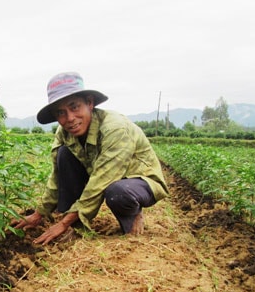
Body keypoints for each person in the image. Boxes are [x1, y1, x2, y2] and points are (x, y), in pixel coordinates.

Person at [12, 72, 169, 244]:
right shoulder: (64, 132)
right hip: (101, 174)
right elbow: (57, 176)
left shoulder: (115, 128)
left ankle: (134, 212)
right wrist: (38, 214)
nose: (70, 118)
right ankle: (74, 224)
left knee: (118, 192)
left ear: (89, 103)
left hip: (138, 181)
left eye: (74, 107)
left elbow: (102, 179)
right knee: (64, 154)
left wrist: (63, 223)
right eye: (61, 113)